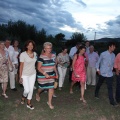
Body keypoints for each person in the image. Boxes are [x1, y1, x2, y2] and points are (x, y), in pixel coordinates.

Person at [36, 42, 58, 109]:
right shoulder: (41, 57)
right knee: (42, 88)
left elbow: (54, 66)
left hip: (51, 75)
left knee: (51, 88)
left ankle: (49, 102)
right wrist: (45, 74)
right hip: (42, 76)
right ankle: (37, 94)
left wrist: (56, 73)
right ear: (44, 49)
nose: (49, 49)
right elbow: (38, 68)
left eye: (50, 48)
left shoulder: (53, 56)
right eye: (47, 48)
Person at [95, 42, 117, 106]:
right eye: (113, 46)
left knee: (110, 87)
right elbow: (98, 62)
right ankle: (96, 93)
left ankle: (112, 101)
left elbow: (112, 63)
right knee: (99, 84)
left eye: (115, 47)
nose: (114, 48)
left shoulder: (113, 55)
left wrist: (113, 69)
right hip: (102, 73)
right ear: (109, 47)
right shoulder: (103, 54)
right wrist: (98, 70)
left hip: (109, 73)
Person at [19, 40, 37, 110]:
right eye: (29, 45)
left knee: (31, 89)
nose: (30, 46)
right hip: (25, 75)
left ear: (33, 46)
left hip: (33, 73)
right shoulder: (23, 54)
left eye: (31, 45)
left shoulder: (35, 54)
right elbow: (21, 66)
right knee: (27, 90)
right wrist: (20, 77)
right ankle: (23, 97)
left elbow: (35, 63)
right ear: (26, 46)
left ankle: (28, 103)